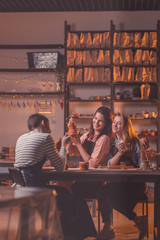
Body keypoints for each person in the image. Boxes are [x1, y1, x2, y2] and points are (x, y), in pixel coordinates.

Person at [14, 113, 97, 240]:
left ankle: (63, 234)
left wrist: (56, 147)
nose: (50, 128)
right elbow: (60, 167)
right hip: (37, 193)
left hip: (22, 190)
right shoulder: (45, 137)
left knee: (64, 192)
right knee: (77, 200)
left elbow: (34, 160)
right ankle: (78, 236)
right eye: (48, 124)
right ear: (43, 123)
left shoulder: (21, 138)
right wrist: (63, 144)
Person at [98, 112, 149, 240]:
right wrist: (120, 154)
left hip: (134, 184)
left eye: (119, 123)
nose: (115, 125)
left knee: (109, 195)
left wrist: (143, 151)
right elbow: (110, 163)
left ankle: (136, 221)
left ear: (126, 126)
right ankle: (110, 227)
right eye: (114, 122)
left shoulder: (134, 141)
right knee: (102, 192)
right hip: (117, 182)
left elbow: (142, 165)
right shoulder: (110, 142)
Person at [67, 106, 112, 208]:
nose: (96, 122)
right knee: (67, 188)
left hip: (95, 179)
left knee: (72, 191)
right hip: (84, 176)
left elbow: (92, 164)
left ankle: (80, 220)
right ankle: (78, 219)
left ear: (106, 124)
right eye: (95, 118)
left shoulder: (104, 139)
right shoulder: (87, 135)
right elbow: (70, 151)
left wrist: (78, 144)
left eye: (100, 121)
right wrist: (71, 134)